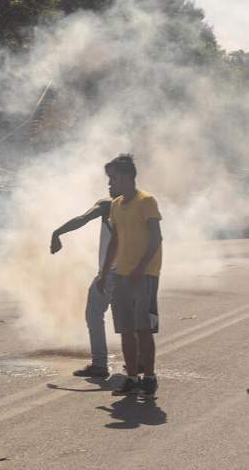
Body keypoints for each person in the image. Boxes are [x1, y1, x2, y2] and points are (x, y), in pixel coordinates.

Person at [99, 154, 162, 396]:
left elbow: (156, 238)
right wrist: (104, 273)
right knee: (125, 329)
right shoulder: (116, 205)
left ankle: (149, 377)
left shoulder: (147, 201)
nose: (110, 183)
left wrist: (140, 268)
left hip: (144, 275)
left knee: (143, 328)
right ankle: (132, 378)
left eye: (113, 178)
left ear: (126, 177)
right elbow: (114, 241)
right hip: (122, 275)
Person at [50, 172, 124, 378]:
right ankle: (138, 364)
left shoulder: (107, 204)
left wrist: (57, 232)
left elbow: (82, 218)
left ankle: (100, 364)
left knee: (94, 314)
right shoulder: (137, 205)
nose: (109, 184)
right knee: (126, 320)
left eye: (113, 180)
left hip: (110, 273)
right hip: (131, 272)